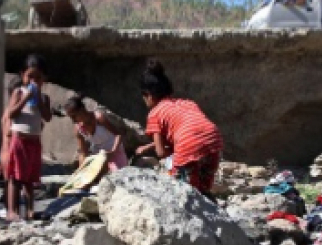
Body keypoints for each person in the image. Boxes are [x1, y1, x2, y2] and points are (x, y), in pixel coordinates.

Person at [135, 60, 223, 196]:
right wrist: (148, 147)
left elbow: (160, 153)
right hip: (213, 139)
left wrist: (170, 156)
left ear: (149, 96)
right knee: (203, 189)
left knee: (182, 190)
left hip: (189, 143)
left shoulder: (155, 113)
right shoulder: (187, 103)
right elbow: (193, 131)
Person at [2, 54, 52, 221]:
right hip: (19, 139)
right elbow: (12, 113)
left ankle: (30, 209)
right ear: (22, 75)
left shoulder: (44, 98)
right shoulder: (19, 92)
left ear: (44, 79)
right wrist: (26, 98)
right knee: (15, 177)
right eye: (30, 76)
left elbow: (47, 117)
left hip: (34, 141)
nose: (34, 81)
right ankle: (12, 211)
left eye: (38, 77)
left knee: (30, 178)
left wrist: (39, 101)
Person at [64, 94, 127, 173]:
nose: (73, 120)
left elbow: (118, 135)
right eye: (71, 117)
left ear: (82, 110)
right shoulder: (78, 128)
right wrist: (81, 170)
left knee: (117, 173)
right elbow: (83, 152)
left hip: (114, 150)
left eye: (74, 116)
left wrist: (112, 152)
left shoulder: (98, 118)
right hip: (99, 154)